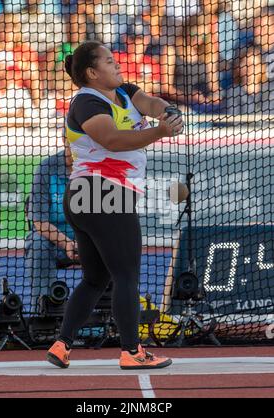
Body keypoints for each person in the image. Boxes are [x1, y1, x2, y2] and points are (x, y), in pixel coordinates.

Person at [46, 40, 183, 370]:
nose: (117, 64)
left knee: (96, 279)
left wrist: (167, 111)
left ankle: (62, 345)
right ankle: (132, 351)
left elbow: (149, 102)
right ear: (92, 73)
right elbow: (113, 140)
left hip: (88, 196)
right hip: (102, 193)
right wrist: (160, 132)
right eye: (109, 61)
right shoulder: (86, 103)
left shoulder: (124, 92)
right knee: (127, 276)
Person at [25, 138, 78, 312]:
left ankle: (109, 317)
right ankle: (43, 312)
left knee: (112, 243)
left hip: (87, 239)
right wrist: (68, 244)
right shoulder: (46, 168)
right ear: (65, 141)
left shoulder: (96, 167)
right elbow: (39, 222)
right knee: (38, 244)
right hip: (53, 241)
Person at [224, 46, 273, 114]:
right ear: (239, 68)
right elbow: (232, 121)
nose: (250, 69)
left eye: (254, 65)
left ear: (261, 68)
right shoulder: (232, 92)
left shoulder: (271, 91)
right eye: (246, 65)